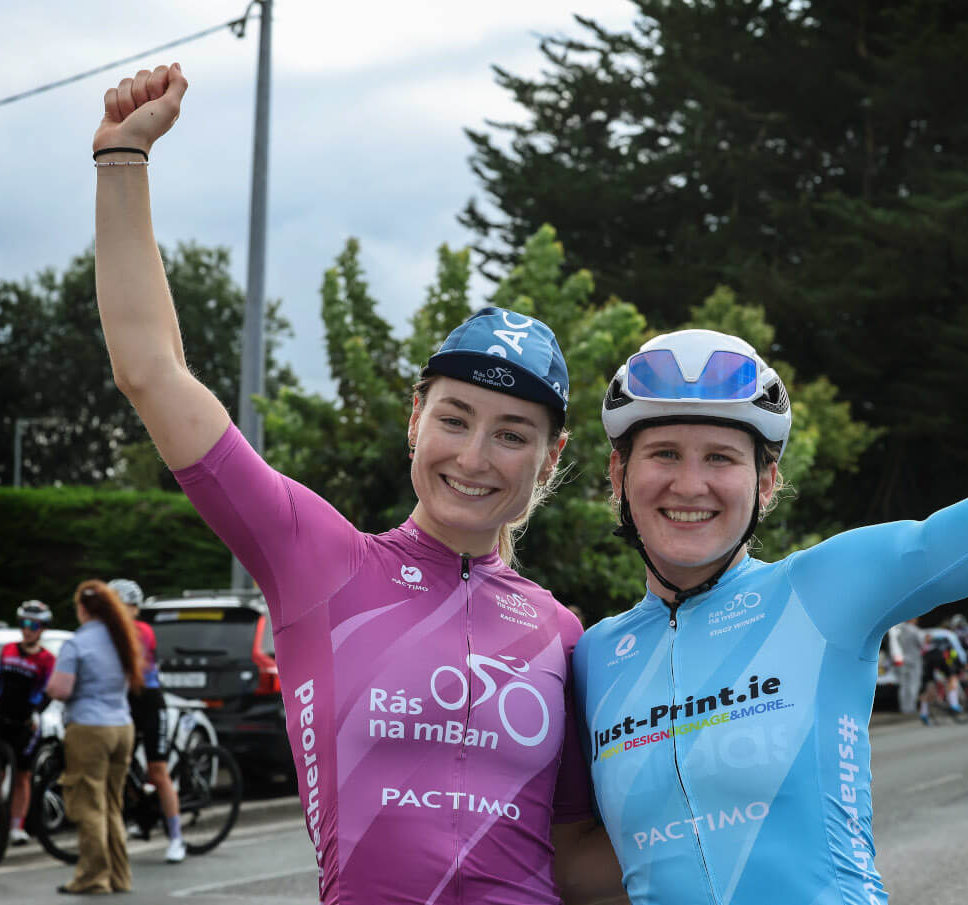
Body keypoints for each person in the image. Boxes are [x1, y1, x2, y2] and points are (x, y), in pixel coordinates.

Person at [573, 158, 968, 903]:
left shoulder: (826, 588)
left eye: (722, 458)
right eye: (663, 453)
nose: (690, 483)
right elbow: (584, 865)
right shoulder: (591, 656)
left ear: (765, 484)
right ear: (618, 476)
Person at [91, 64, 622, 905]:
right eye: (455, 417)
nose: (476, 455)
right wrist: (123, 160)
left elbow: (581, 861)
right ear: (416, 418)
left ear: (548, 459)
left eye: (512, 434)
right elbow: (152, 372)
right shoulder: (319, 558)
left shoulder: (562, 633)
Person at [46, 581, 143, 895]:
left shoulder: (78, 643)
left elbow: (61, 689)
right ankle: (119, 876)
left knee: (88, 804)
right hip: (122, 726)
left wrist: (49, 689)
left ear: (83, 608)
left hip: (89, 727)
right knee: (112, 804)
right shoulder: (122, 639)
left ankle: (93, 877)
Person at [108, 578, 185, 863]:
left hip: (149, 701)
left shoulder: (142, 631)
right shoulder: (107, 631)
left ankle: (176, 838)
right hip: (123, 700)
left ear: (134, 608)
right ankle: (139, 812)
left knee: (158, 770)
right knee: (121, 764)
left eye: (121, 605)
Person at [0, 600, 56, 845]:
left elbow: (47, 692)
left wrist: (36, 713)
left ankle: (17, 826)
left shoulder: (47, 659)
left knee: (22, 776)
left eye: (33, 625)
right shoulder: (7, 650)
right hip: (0, 717)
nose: (27, 629)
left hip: (24, 723)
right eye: (24, 624)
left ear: (43, 628)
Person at [896, 619, 923, 715]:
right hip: (914, 660)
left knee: (904, 685)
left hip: (903, 659)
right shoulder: (915, 630)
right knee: (913, 684)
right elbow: (922, 644)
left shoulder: (900, 630)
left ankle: (904, 707)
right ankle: (911, 708)